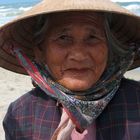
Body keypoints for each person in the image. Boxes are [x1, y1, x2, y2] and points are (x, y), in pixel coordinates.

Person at [0, 0, 140, 139]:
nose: (79, 55)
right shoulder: (20, 114)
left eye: (92, 37)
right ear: (40, 52)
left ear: (109, 48)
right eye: (63, 38)